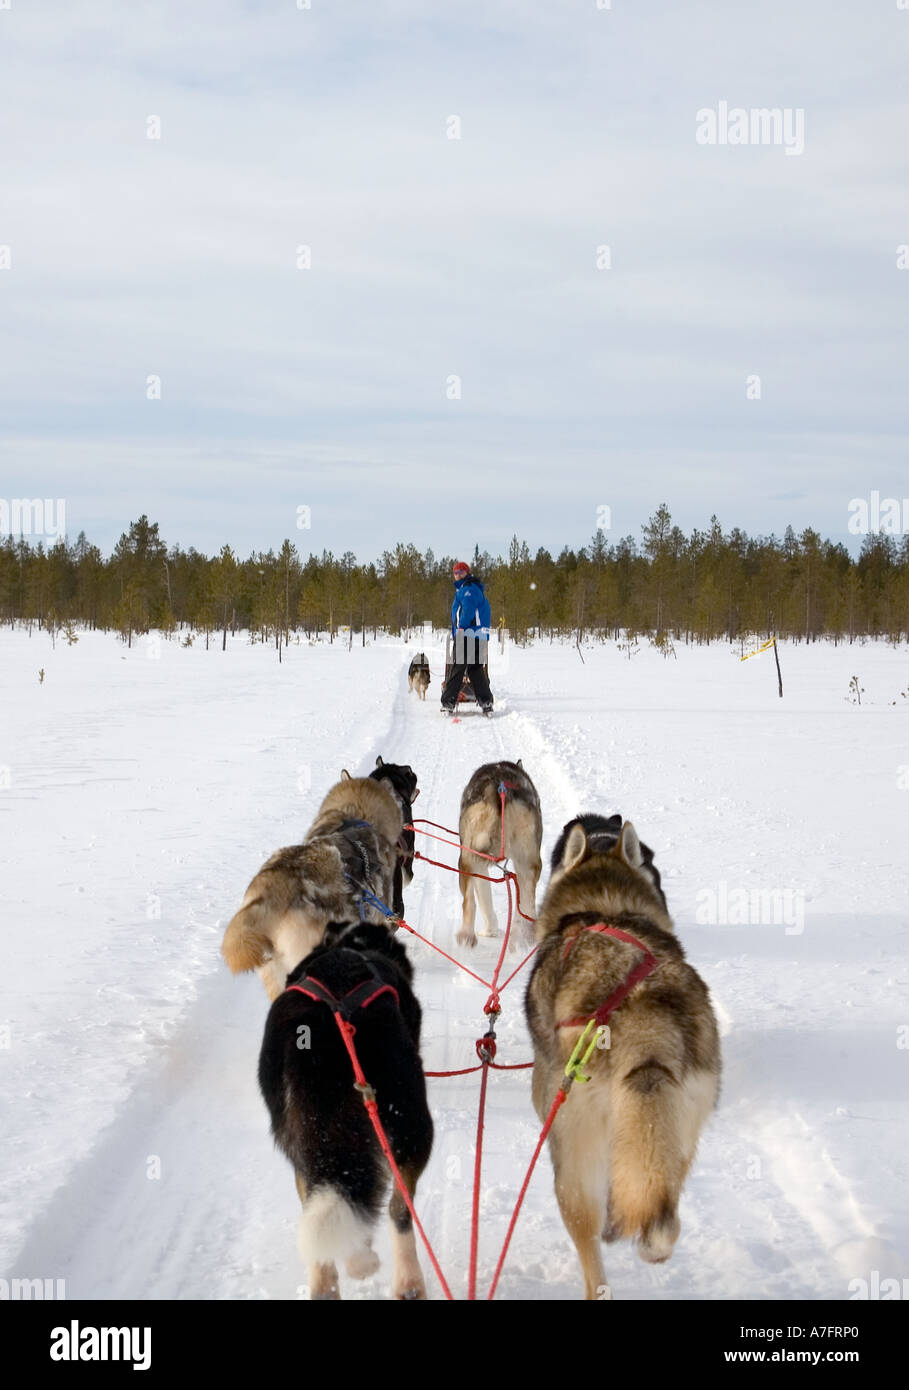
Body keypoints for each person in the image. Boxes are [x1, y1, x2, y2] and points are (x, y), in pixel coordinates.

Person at [441, 560, 494, 715]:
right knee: (475, 669)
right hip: (479, 635)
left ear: (467, 573)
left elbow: (468, 609)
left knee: (457, 668)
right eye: (455, 572)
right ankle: (486, 702)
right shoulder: (473, 588)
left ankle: (448, 702)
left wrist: (461, 628)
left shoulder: (468, 589)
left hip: (468, 634)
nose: (458, 575)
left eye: (461, 572)